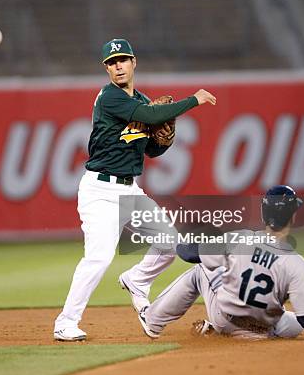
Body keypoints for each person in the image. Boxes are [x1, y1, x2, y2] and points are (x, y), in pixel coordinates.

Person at [54, 38, 216, 341]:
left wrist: (162, 140)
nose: (118, 66)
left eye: (123, 60)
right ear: (106, 68)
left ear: (133, 62)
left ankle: (137, 281)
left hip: (129, 191)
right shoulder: (110, 98)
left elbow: (151, 151)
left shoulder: (140, 100)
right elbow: (152, 116)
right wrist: (193, 100)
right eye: (112, 62)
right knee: (99, 258)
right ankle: (65, 321)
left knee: (169, 243)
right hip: (100, 191)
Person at [137, 185, 304, 341]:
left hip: (226, 320)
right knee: (297, 321)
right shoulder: (297, 263)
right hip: (265, 328)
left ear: (263, 215)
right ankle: (250, 333)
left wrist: (179, 240)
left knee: (201, 269)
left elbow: (187, 254)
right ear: (292, 216)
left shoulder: (239, 238)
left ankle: (153, 320)